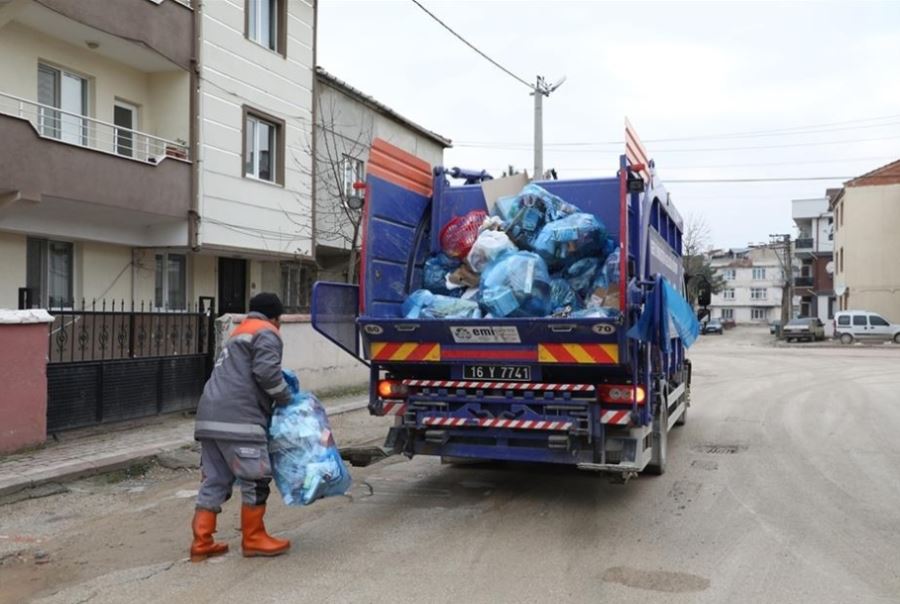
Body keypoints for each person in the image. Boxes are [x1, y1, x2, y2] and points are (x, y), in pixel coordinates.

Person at [189, 292, 293, 562]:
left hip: (208, 415)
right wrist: (288, 399)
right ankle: (254, 538)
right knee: (256, 478)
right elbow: (267, 374)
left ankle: (202, 542)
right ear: (276, 317)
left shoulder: (239, 332)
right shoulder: (267, 331)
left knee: (215, 480)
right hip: (239, 418)